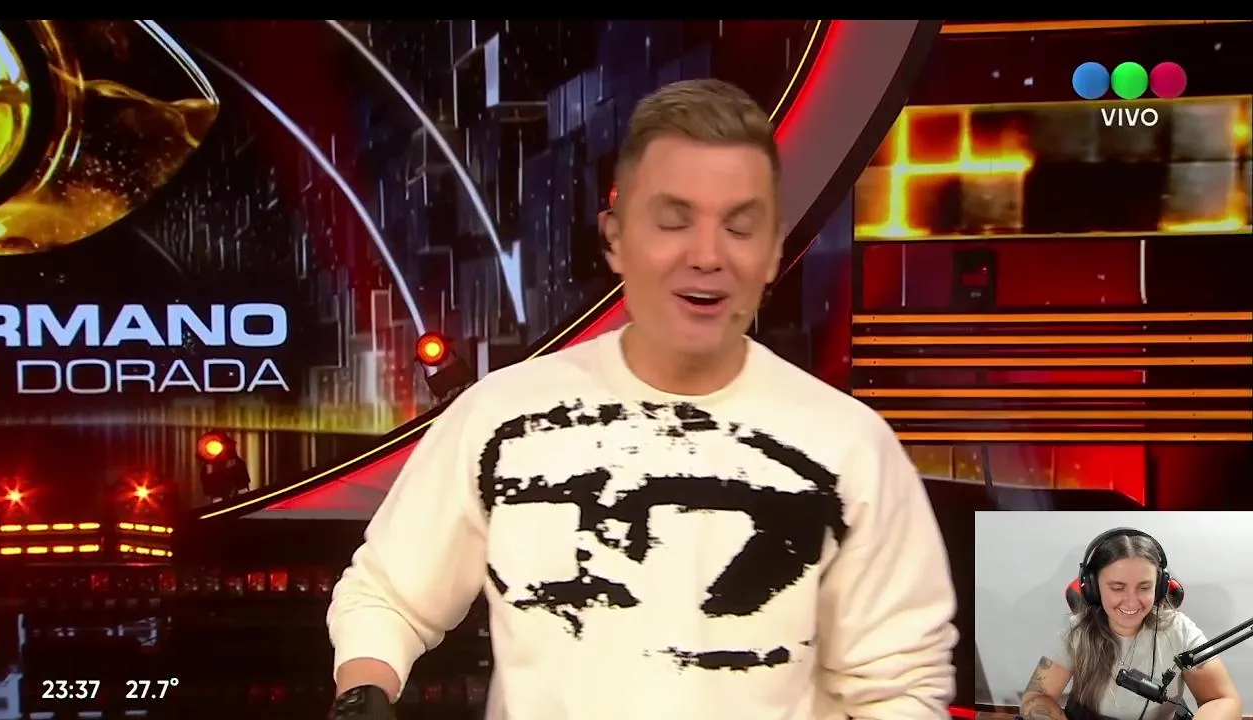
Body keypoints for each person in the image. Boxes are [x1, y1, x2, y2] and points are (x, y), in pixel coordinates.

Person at [326, 78, 958, 720]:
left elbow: (900, 688)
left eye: (740, 227)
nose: (707, 255)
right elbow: (386, 597)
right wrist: (364, 692)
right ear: (615, 239)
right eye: (673, 221)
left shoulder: (850, 447)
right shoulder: (502, 418)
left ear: (774, 252)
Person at [1020, 528, 1241, 720]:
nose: (1131, 602)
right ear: (1093, 588)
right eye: (1117, 588)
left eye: (1145, 587)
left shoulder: (1179, 630)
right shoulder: (1077, 631)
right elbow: (1036, 697)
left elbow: (1223, 699)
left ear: (1160, 587)